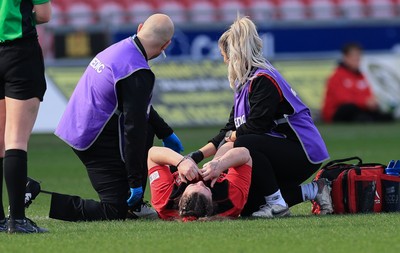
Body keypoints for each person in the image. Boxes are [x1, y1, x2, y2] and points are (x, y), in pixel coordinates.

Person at [26, 14, 183, 222]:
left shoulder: (120, 49)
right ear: (166, 45)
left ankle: (134, 205)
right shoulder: (137, 72)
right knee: (114, 211)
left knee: (147, 130)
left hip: (77, 125)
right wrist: (135, 182)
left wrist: (165, 131)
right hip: (93, 137)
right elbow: (133, 128)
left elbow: (137, 106)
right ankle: (35, 194)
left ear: (140, 27)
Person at [188, 17, 332, 218]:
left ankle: (277, 204)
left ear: (235, 55)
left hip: (302, 151)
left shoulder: (263, 80)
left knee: (245, 143)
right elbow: (228, 129)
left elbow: (256, 126)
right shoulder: (245, 85)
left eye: (224, 56)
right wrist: (195, 156)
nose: (224, 61)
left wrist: (225, 151)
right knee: (247, 205)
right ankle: (315, 190)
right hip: (278, 148)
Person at [0, 0, 51, 233]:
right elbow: (43, 14)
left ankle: (1, 220)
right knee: (16, 141)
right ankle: (17, 220)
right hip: (19, 52)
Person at [148, 142, 252, 221]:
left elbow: (152, 153)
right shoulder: (232, 200)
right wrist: (219, 164)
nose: (200, 181)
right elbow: (244, 153)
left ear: (179, 199)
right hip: (222, 168)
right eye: (206, 187)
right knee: (231, 140)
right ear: (213, 202)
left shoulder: (164, 200)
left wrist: (181, 162)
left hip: (180, 168)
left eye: (192, 185)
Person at [322, 42, 393, 123]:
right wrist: (364, 102)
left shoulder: (361, 76)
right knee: (349, 108)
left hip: (359, 109)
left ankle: (368, 118)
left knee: (381, 113)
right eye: (353, 57)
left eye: (358, 57)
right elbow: (342, 99)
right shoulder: (337, 76)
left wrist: (371, 103)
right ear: (345, 57)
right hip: (336, 113)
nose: (357, 60)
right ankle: (366, 119)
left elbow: (368, 94)